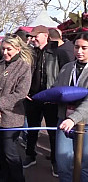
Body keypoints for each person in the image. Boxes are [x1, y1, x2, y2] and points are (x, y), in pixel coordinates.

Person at [0, 34, 33, 182]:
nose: (5, 52)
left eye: (8, 49)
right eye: (3, 49)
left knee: (10, 153)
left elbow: (21, 93)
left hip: (12, 118)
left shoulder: (24, 67)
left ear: (17, 49)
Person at [23, 25, 61, 177]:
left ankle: (55, 161)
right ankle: (30, 155)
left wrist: (57, 94)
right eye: (31, 36)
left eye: (35, 36)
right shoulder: (30, 53)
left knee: (53, 132)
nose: (32, 39)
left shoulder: (57, 52)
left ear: (45, 35)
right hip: (32, 97)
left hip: (50, 98)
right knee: (32, 129)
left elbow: (62, 75)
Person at [53, 33, 88, 182]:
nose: (79, 51)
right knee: (62, 164)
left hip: (85, 124)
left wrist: (74, 119)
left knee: (84, 167)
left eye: (84, 48)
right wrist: (50, 96)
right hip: (64, 121)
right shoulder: (67, 67)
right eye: (76, 47)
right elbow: (57, 88)